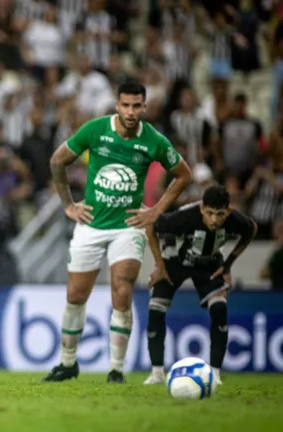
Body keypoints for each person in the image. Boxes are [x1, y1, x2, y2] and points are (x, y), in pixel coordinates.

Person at [44, 81, 193, 384]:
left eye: (137, 105)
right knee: (75, 296)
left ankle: (116, 370)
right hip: (90, 224)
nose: (131, 111)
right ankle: (68, 363)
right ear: (116, 105)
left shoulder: (153, 140)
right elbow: (57, 160)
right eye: (125, 105)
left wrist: (156, 210)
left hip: (128, 227)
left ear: (144, 107)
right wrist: (69, 205)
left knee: (122, 291)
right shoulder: (95, 130)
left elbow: (183, 175)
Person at [144, 185, 257, 385]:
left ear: (228, 212)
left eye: (220, 214)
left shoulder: (234, 220)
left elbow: (252, 229)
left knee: (220, 307)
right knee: (156, 308)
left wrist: (228, 264)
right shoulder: (185, 218)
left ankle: (214, 374)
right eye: (210, 213)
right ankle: (157, 373)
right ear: (202, 209)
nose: (214, 219)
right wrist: (159, 265)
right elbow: (151, 225)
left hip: (209, 263)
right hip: (175, 261)